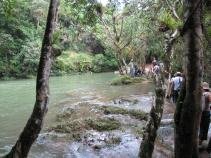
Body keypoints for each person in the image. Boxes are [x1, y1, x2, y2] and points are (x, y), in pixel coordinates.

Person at [199, 82, 211, 147]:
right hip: (208, 112)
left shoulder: (204, 95)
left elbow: (203, 107)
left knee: (202, 127)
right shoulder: (209, 94)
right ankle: (201, 141)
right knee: (205, 127)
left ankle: (200, 142)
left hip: (203, 113)